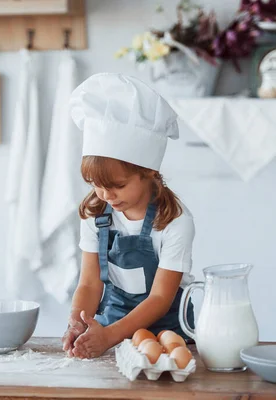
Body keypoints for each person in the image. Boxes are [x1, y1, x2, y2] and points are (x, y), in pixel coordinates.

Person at [61, 73, 195, 359]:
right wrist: (78, 322)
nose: (105, 195)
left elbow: (160, 298)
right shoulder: (95, 215)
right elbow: (89, 283)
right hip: (112, 329)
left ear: (148, 173)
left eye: (117, 186)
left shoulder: (175, 221)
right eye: (96, 185)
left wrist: (108, 336)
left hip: (168, 333)